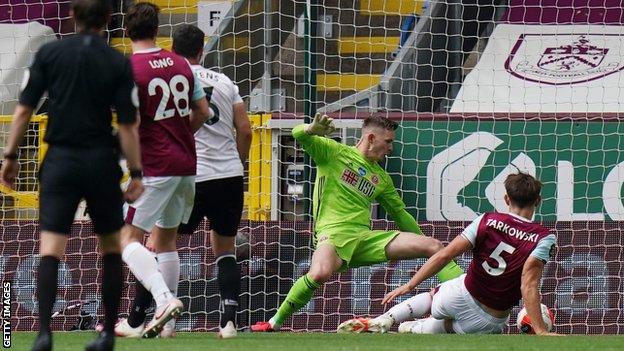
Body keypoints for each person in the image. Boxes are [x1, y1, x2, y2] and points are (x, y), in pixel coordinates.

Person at [0, 1, 144, 350]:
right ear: (109, 20)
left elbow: (23, 111)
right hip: (100, 161)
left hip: (60, 160)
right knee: (111, 249)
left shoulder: (50, 53)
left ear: (71, 17)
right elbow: (127, 125)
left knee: (50, 249)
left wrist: (10, 155)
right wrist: (136, 172)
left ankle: (44, 333)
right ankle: (108, 334)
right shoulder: (116, 61)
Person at [251, 114, 464, 332]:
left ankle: (471, 294)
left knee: (433, 246)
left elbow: (400, 214)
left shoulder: (381, 178)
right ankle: (274, 322)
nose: (390, 148)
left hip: (365, 239)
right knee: (319, 274)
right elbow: (298, 134)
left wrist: (421, 238)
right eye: (388, 141)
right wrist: (311, 129)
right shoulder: (334, 153)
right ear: (371, 138)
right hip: (332, 235)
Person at [114, 24, 251, 339]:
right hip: (228, 175)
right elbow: (245, 129)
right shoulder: (226, 81)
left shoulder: (170, 76)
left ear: (172, 50)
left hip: (187, 170)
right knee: (225, 250)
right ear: (203, 50)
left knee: (157, 244)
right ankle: (228, 323)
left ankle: (143, 318)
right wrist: (238, 162)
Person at [117, 1, 212, 339]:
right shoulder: (181, 64)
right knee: (166, 241)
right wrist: (181, 134)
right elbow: (204, 110)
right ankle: (168, 327)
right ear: (158, 30)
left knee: (127, 239)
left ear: (127, 31)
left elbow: (130, 123)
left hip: (155, 167)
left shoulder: (129, 68)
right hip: (186, 164)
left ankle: (163, 300)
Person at [366, 173, 559, 335]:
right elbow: (529, 284)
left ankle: (388, 318)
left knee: (434, 296)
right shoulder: (543, 238)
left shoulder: (487, 220)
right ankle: (413, 329)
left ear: (506, 199)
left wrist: (410, 284)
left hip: (459, 294)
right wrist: (540, 330)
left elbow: (445, 254)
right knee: (448, 328)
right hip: (489, 318)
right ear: (538, 201)